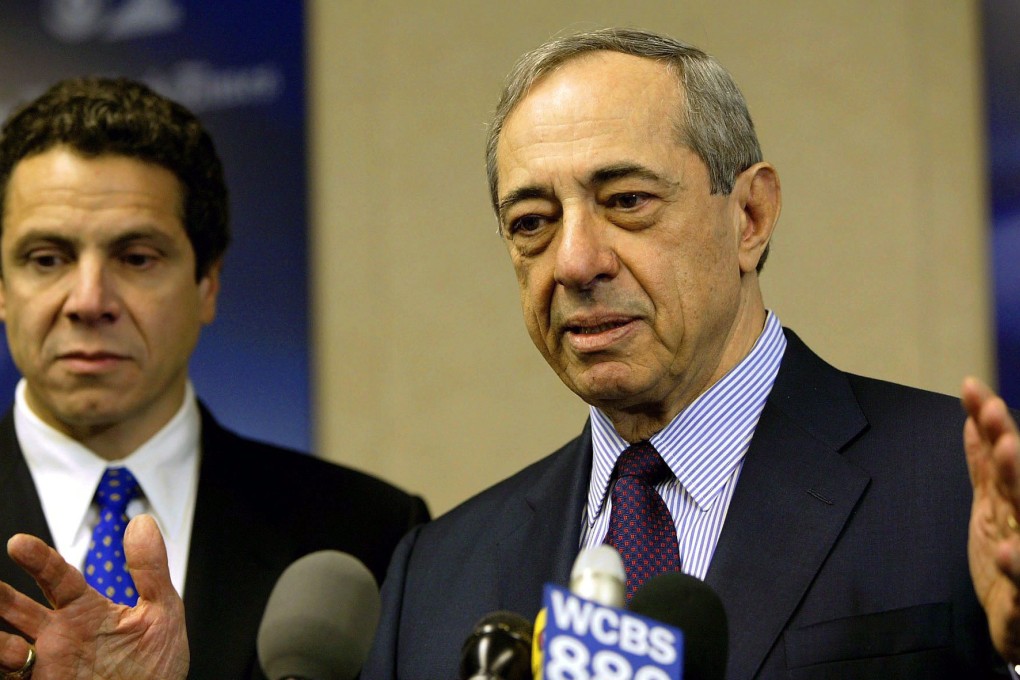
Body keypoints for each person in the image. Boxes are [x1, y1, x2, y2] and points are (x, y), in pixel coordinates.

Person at [1, 29, 1019, 680]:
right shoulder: (440, 569)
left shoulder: (948, 485)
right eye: (531, 221)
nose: (573, 260)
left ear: (748, 213)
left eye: (626, 202)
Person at [0, 76, 429, 679]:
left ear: (207, 285)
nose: (89, 300)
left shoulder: (372, 532)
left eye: (136, 257)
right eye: (47, 259)